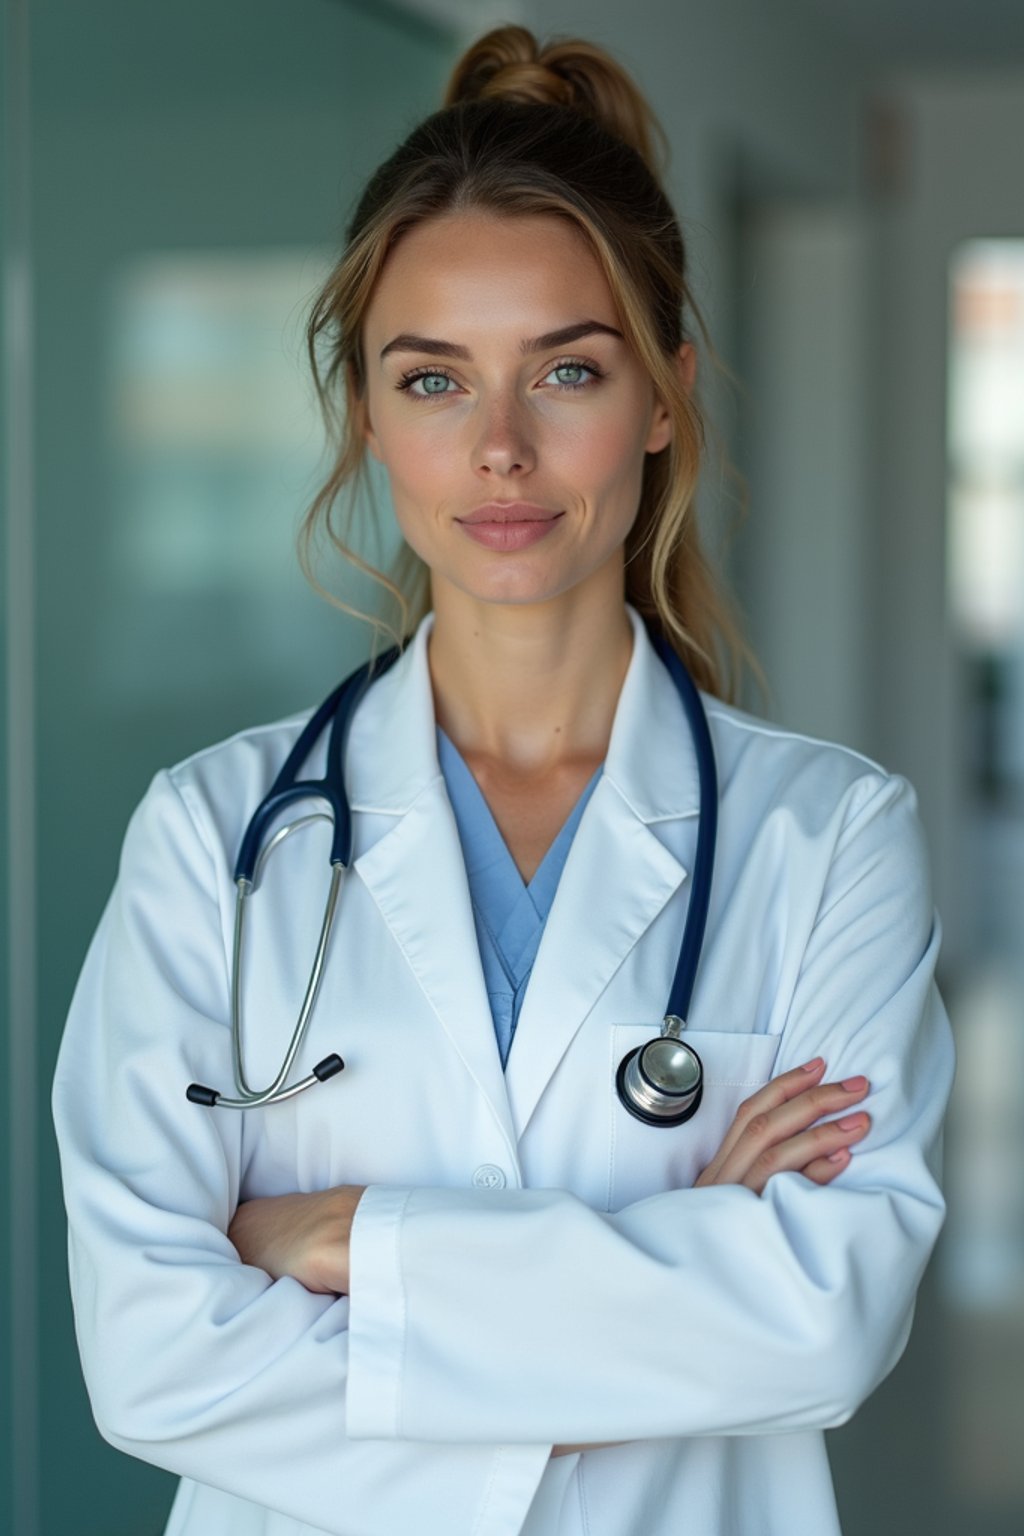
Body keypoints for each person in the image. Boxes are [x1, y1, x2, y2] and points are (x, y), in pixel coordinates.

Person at [52, 23, 955, 1536]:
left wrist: (345, 1242)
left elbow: (827, 1318)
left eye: (568, 371)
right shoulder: (213, 838)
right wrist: (669, 1266)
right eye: (432, 380)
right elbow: (148, 1358)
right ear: (363, 415)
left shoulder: (831, 838)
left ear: (662, 399)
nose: (502, 452)